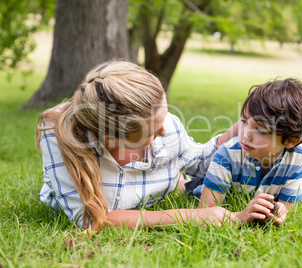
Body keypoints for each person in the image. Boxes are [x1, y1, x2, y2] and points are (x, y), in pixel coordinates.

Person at [36, 59, 238, 231]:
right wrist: (188, 216)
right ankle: (179, 183)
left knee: (182, 177)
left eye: (164, 116)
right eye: (152, 132)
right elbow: (89, 218)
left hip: (158, 186)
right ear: (111, 139)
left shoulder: (167, 126)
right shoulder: (60, 134)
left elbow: (201, 161)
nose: (164, 131)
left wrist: (242, 127)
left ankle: (179, 183)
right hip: (129, 194)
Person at [195, 78, 302, 226]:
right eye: (244, 122)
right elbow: (206, 213)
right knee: (190, 186)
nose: (246, 135)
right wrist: (241, 216)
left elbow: (286, 209)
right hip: (205, 183)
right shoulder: (227, 153)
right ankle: (181, 180)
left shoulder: (299, 158)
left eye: (260, 130)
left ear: (291, 140)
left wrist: (278, 211)